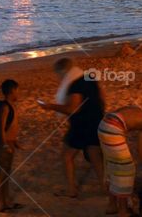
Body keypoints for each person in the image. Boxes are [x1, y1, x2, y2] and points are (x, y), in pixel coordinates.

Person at [39, 61, 106, 199]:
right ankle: (106, 188)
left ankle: (71, 189)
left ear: (63, 72)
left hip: (81, 125)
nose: (58, 78)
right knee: (96, 157)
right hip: (96, 121)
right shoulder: (90, 78)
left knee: (67, 156)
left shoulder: (74, 85)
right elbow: (102, 99)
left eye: (58, 75)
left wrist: (51, 106)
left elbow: (73, 108)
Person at [0, 79, 22, 213]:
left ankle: (7, 202)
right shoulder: (5, 107)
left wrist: (14, 142)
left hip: (9, 144)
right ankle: (0, 204)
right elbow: (1, 128)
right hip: (3, 146)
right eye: (17, 90)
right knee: (0, 175)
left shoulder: (11, 105)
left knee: (6, 175)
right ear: (11, 91)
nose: (18, 93)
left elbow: (12, 126)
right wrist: (5, 144)